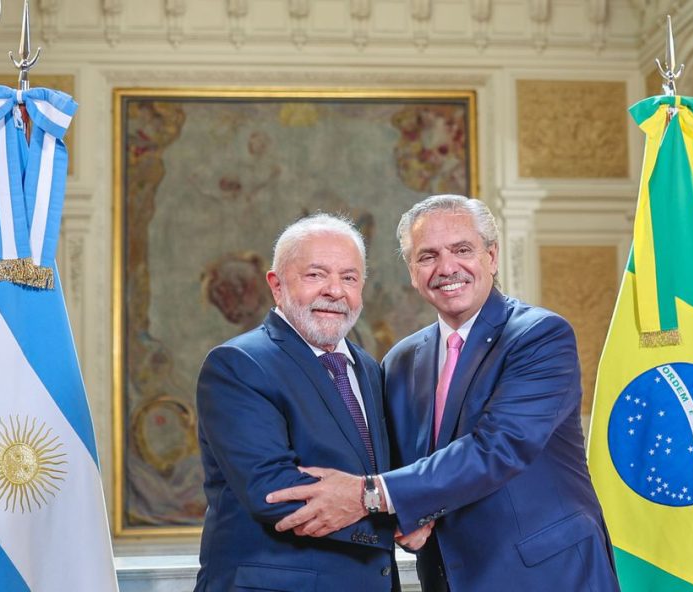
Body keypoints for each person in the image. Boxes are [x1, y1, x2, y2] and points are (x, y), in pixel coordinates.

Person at [267, 195, 620, 591]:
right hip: (446, 578)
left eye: (462, 250)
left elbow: (499, 447)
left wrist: (369, 494)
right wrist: (401, 518)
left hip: (549, 575)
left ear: (492, 256)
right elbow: (398, 465)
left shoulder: (540, 336)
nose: (446, 267)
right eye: (427, 256)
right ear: (413, 272)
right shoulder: (399, 362)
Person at [194, 213, 397, 592]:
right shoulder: (238, 364)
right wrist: (395, 513)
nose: (335, 290)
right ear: (277, 284)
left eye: (349, 278)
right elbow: (275, 494)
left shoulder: (367, 368)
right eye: (316, 275)